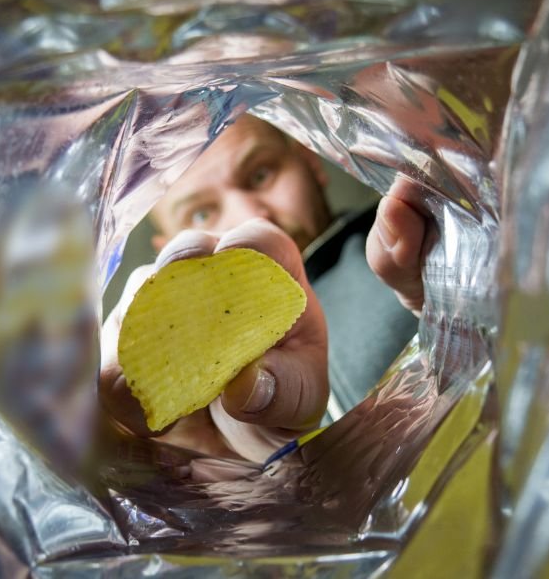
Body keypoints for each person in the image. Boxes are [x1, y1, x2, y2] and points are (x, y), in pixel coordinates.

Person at [98, 115, 427, 462]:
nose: (252, 215)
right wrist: (219, 474)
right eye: (200, 215)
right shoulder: (202, 393)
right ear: (166, 243)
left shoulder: (413, 249)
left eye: (260, 175)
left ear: (309, 160)